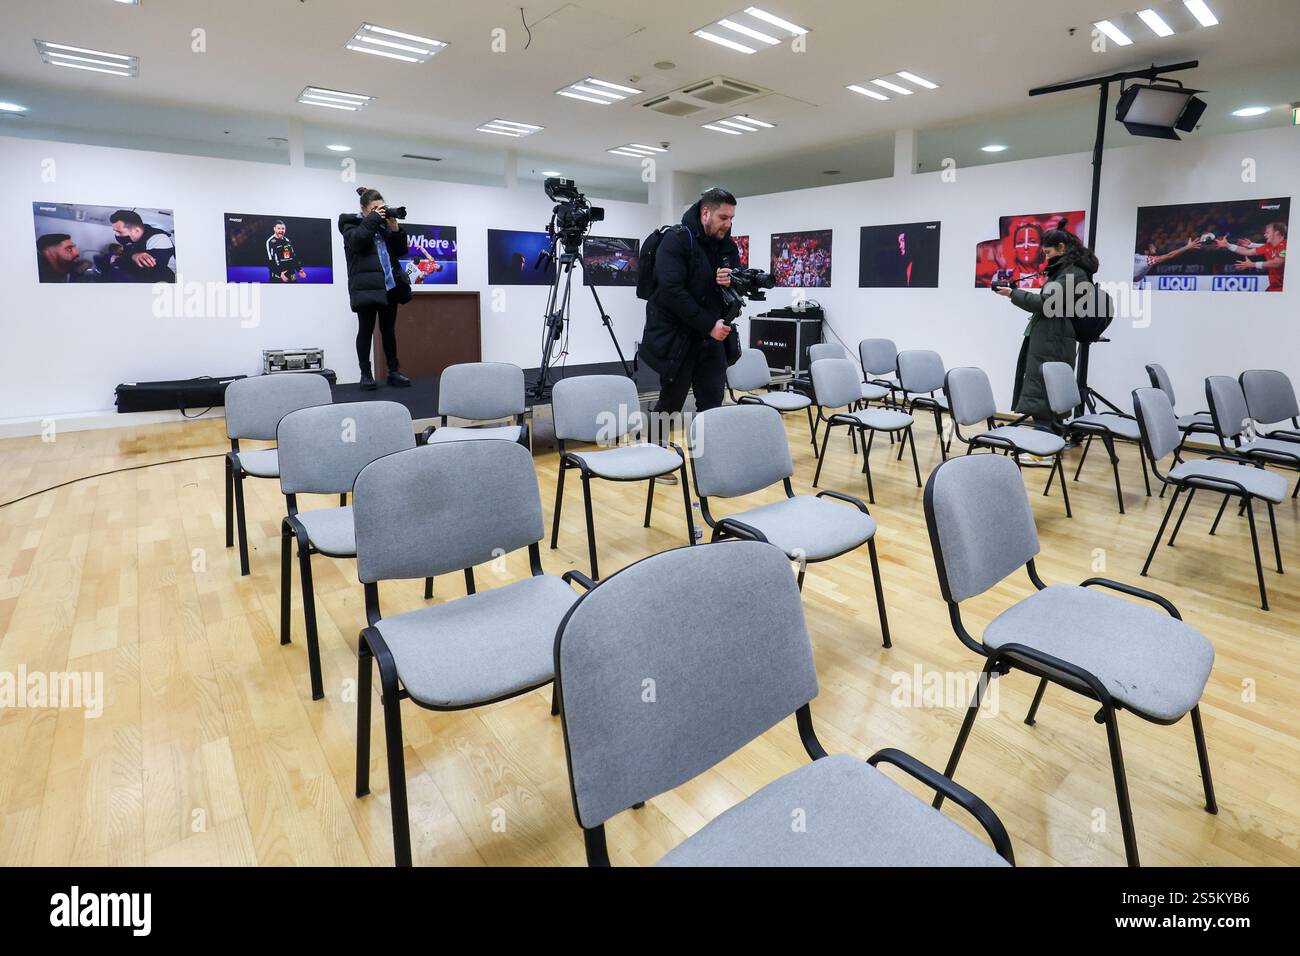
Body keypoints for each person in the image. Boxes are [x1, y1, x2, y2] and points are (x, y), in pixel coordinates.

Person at [640, 186, 740, 419]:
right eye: (723, 217)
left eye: (731, 218)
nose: (728, 224)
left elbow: (738, 283)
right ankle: (655, 443)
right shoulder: (676, 240)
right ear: (705, 213)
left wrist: (731, 281)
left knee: (712, 409)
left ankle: (706, 445)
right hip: (679, 339)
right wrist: (709, 325)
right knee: (669, 406)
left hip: (713, 339)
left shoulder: (728, 246)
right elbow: (672, 292)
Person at [994, 226, 1098, 427]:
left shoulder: (1073, 273)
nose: (1046, 257)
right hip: (1052, 337)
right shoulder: (1068, 271)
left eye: (1048, 252)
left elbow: (1046, 303)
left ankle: (1044, 443)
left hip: (1053, 339)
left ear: (1061, 247)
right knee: (1045, 395)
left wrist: (1013, 294)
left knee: (1045, 396)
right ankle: (1048, 439)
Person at [338, 187, 412, 390]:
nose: (380, 212)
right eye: (374, 209)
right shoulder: (349, 223)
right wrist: (373, 219)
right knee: (366, 330)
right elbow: (357, 241)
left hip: (389, 286)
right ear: (363, 209)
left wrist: (395, 229)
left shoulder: (383, 226)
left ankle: (393, 372)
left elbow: (400, 251)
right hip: (366, 287)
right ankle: (365, 374)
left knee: (388, 331)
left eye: (382, 208)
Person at [110, 209, 177, 282]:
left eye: (119, 232)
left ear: (136, 231)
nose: (116, 234)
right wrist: (133, 255)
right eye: (115, 231)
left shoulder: (160, 240)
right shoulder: (126, 238)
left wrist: (117, 261)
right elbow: (127, 251)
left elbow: (147, 273)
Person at [1217, 222, 1287, 291]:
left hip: (1285, 288)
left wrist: (1253, 264)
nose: (1265, 235)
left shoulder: (1285, 245)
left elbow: (1277, 263)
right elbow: (1246, 251)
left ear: (1277, 233)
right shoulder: (1268, 246)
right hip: (1274, 286)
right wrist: (1228, 245)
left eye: (1267, 233)